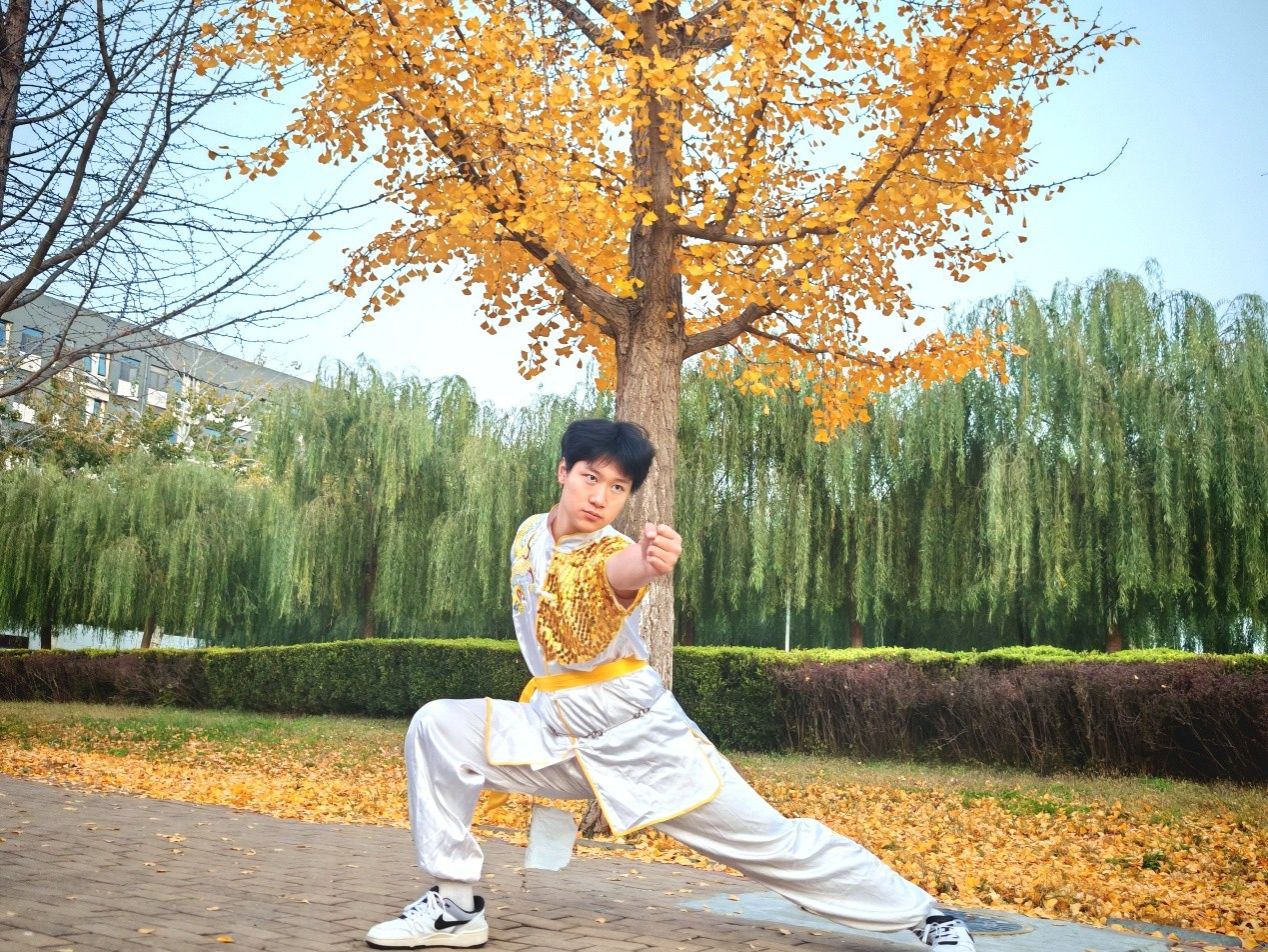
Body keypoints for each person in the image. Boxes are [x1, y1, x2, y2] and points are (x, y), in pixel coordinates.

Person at [366, 418, 976, 950]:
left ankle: (927, 917)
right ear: (562, 471)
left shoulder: (612, 551)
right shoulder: (530, 532)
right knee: (438, 726)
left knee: (769, 841)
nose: (601, 497)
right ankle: (455, 907)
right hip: (553, 730)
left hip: (641, 738)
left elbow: (618, 573)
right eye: (591, 477)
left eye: (619, 487)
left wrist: (649, 561)